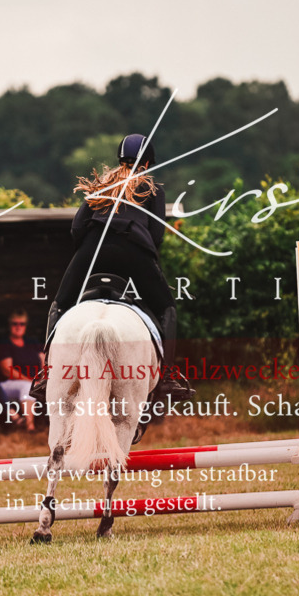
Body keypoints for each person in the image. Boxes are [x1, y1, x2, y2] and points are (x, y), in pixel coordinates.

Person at [29, 133, 194, 421]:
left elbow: (77, 228)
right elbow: (156, 236)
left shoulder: (102, 186)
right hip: (133, 251)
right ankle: (167, 376)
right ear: (147, 164)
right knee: (167, 307)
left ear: (120, 159)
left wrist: (89, 252)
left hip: (93, 249)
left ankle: (46, 374)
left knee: (60, 304)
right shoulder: (153, 189)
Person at [0, 309, 45, 432]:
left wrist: (43, 380)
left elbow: (44, 363)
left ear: (25, 326)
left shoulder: (32, 342)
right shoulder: (4, 344)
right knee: (27, 387)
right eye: (15, 324)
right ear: (10, 325)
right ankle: (29, 426)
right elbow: (7, 370)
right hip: (9, 384)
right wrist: (31, 382)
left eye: (22, 324)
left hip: (35, 382)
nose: (18, 327)